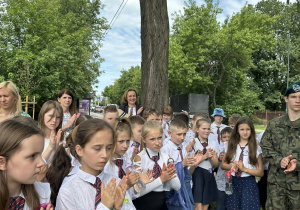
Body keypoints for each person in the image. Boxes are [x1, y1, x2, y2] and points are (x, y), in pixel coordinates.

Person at [54, 119, 130, 209]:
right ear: (79, 150)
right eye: (97, 148)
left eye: (109, 148)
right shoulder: (68, 191)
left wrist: (119, 208)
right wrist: (105, 207)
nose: (105, 155)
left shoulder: (114, 182)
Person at [261, 82, 300, 209]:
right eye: (294, 96)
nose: (297, 100)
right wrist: (279, 160)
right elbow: (265, 147)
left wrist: (296, 163)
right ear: (286, 99)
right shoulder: (274, 124)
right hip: (276, 184)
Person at [0, 119, 52, 210]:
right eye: (32, 156)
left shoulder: (43, 194)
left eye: (40, 154)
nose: (42, 163)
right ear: (2, 162)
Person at [133, 120, 181, 210]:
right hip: (143, 204)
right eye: (152, 139)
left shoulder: (166, 157)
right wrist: (161, 179)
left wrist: (169, 175)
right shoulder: (139, 158)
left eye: (159, 138)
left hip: (161, 202)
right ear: (143, 139)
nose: (157, 142)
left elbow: (177, 186)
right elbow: (137, 191)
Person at [221, 117, 263, 210]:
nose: (245, 132)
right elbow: (223, 165)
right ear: (237, 131)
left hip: (249, 183)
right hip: (234, 181)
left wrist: (244, 169)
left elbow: (260, 172)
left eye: (248, 129)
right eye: (242, 129)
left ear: (251, 130)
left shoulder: (255, 146)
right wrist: (232, 166)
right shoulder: (230, 144)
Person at [161, 118, 203, 210]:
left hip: (185, 187)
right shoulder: (165, 149)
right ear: (170, 133)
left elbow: (188, 173)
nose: (182, 137)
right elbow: (166, 172)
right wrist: (182, 164)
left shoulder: (183, 147)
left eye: (184, 134)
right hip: (173, 191)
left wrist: (194, 164)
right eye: (179, 134)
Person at [192, 118, 219, 210]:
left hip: (208, 173)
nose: (207, 131)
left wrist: (211, 157)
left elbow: (215, 165)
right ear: (197, 129)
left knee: (205, 204)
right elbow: (192, 163)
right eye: (204, 128)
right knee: (198, 204)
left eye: (208, 129)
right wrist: (204, 156)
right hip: (197, 174)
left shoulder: (212, 143)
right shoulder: (194, 142)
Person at [38, 101, 63, 165]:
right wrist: (50, 147)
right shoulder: (35, 137)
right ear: (43, 115)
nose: (54, 120)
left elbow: (63, 165)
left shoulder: (63, 138)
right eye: (51, 116)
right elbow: (36, 165)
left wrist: (57, 148)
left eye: (58, 117)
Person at [215, 127, 233, 210]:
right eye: (224, 137)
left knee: (231, 204)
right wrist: (219, 159)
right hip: (221, 182)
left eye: (229, 137)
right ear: (221, 139)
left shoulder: (236, 150)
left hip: (232, 182)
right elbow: (215, 165)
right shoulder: (219, 150)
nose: (227, 139)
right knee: (220, 204)